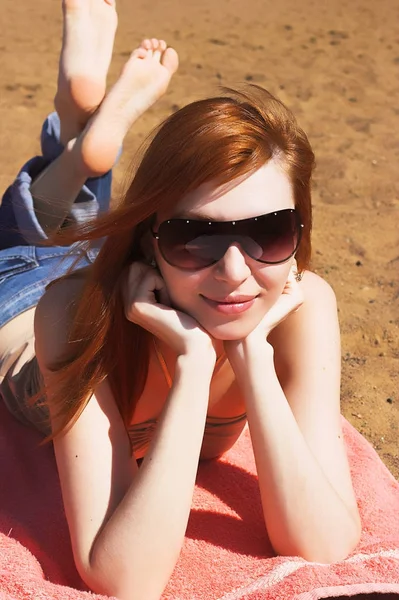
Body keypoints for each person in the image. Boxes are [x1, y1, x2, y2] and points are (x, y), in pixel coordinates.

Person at [0, 0, 362, 599]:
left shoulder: (303, 307)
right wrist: (196, 368)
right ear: (152, 240)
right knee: (23, 244)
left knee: (73, 227)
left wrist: (249, 354)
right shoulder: (69, 315)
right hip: (19, 307)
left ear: (300, 231)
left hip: (135, 274)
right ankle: (76, 138)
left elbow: (322, 544)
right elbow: (122, 578)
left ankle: (76, 131)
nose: (234, 270)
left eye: (268, 233)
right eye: (197, 237)